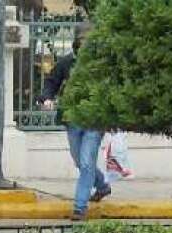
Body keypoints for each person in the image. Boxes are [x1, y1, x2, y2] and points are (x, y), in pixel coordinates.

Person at [37, 24, 110, 220]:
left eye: (90, 41)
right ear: (77, 42)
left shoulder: (102, 64)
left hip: (95, 120)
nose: (87, 45)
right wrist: (46, 98)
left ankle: (79, 207)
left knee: (86, 163)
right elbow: (51, 82)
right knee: (80, 161)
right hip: (72, 119)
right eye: (84, 40)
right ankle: (102, 186)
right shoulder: (66, 63)